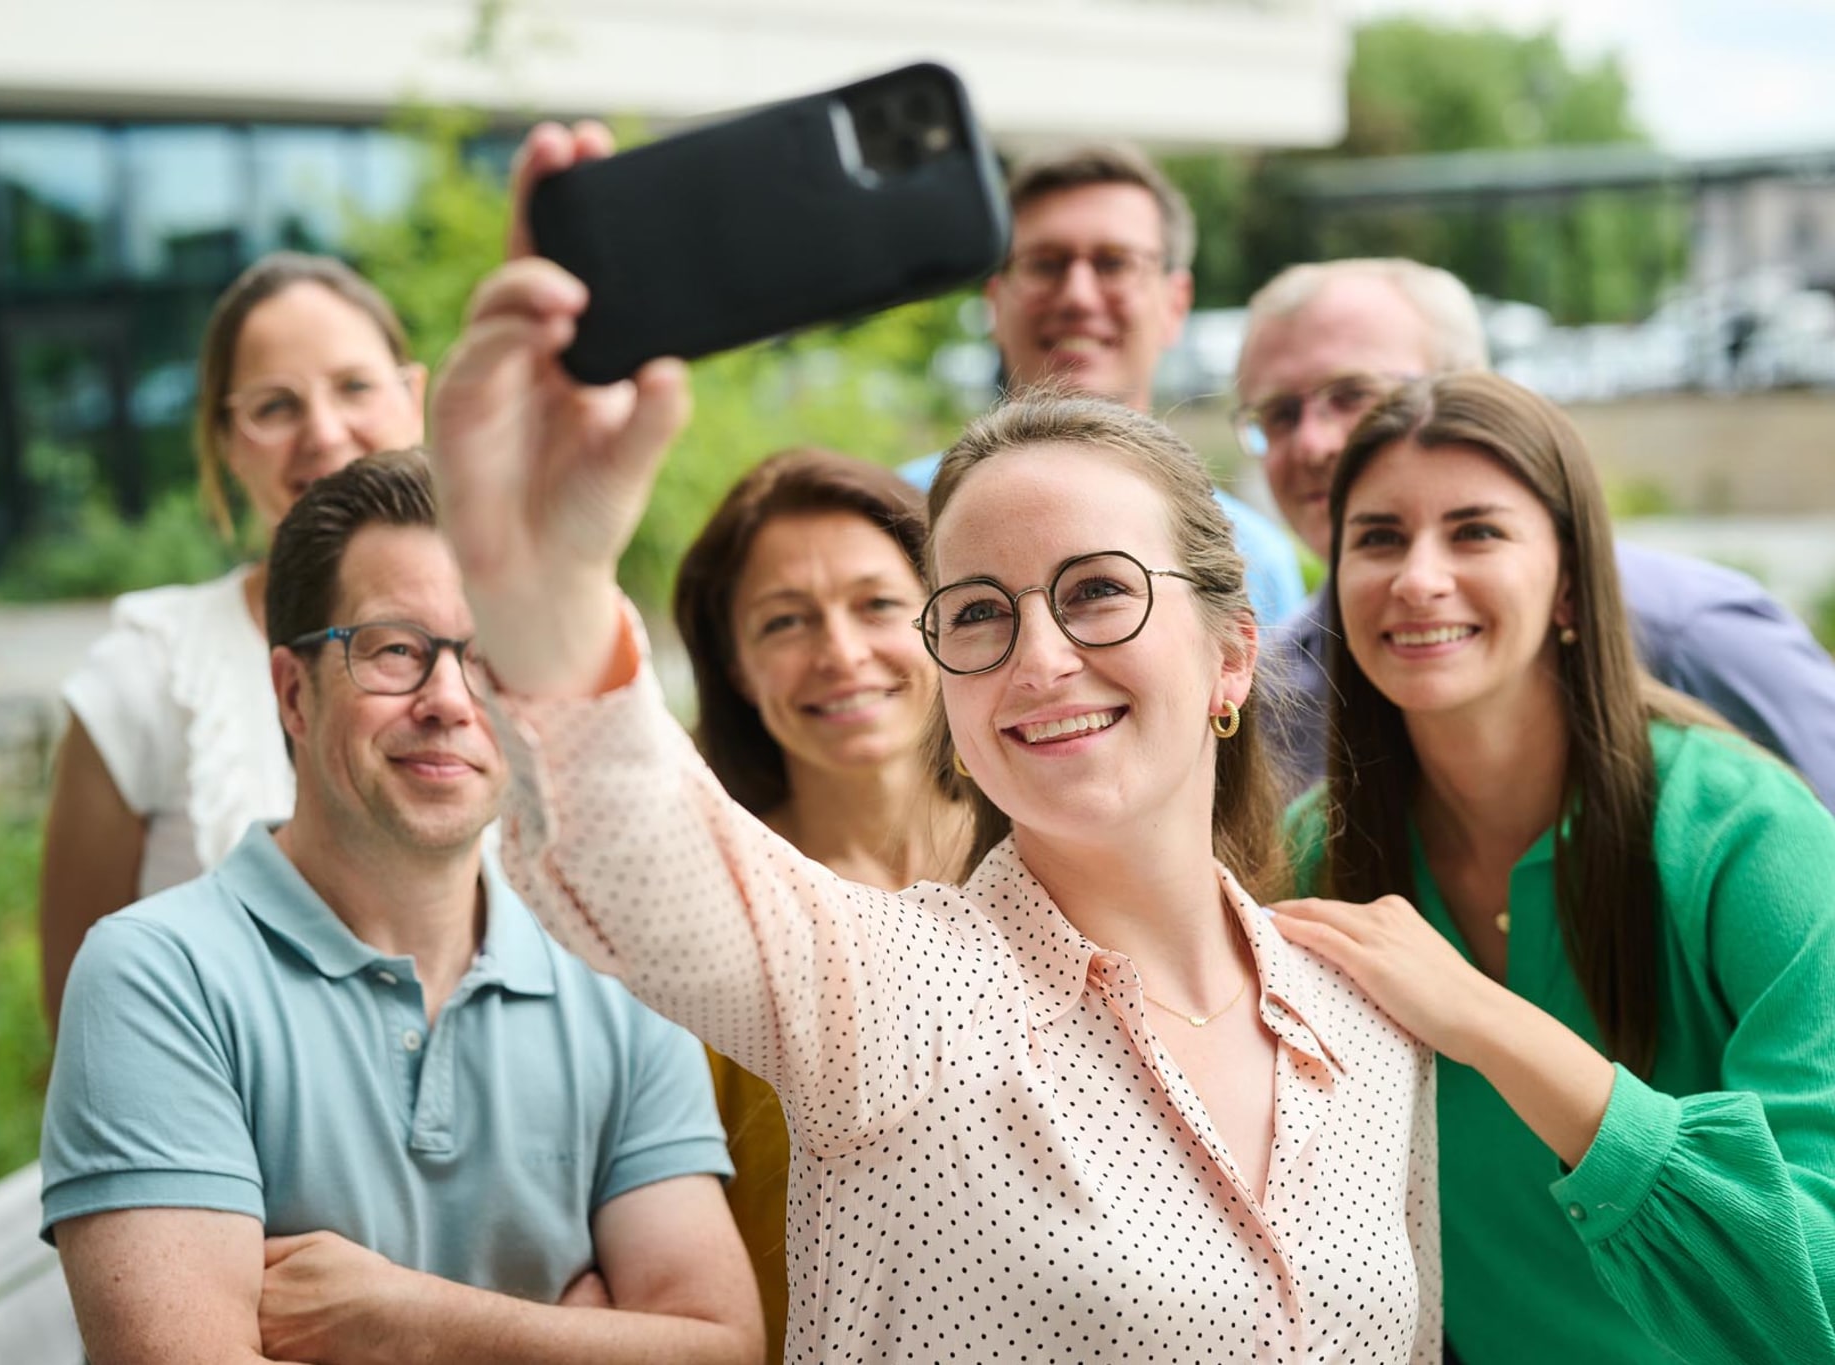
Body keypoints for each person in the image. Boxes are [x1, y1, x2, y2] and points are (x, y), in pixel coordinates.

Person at [429, 121, 1440, 1364]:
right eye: (975, 614)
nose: (1038, 658)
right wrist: (536, 574)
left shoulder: (1358, 1011)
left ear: (1231, 650)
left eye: (1096, 591)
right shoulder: (892, 997)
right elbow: (634, 852)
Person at [41, 451, 763, 1365]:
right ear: (293, 693)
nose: (452, 702)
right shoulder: (156, 978)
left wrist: (405, 1320)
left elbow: (719, 1349)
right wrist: (574, 1338)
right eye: (394, 650)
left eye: (490, 657)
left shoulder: (613, 968)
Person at [1274, 373, 1835, 1365]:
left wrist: (1486, 1025)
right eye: (1377, 539)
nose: (1415, 578)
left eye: (1475, 532)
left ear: (1570, 579)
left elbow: (1819, 1284)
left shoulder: (1750, 835)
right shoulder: (1316, 856)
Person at [1233, 257, 1835, 803]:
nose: (1311, 443)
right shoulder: (1278, 696)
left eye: (1353, 395)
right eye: (1279, 414)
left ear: (1472, 391)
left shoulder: (1697, 638)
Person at [38, 252, 428, 1024]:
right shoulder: (146, 674)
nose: (324, 432)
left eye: (354, 386)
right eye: (276, 406)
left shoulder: (516, 640)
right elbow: (79, 1023)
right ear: (225, 439)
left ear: (413, 398)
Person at [671, 447, 968, 1361]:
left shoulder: (1064, 858)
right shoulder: (696, 916)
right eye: (785, 621)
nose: (839, 653)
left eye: (877, 604)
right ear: (735, 662)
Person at [898, 145, 1307, 627]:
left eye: (1114, 263)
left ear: (1176, 304)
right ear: (995, 299)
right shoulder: (896, 518)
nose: (1077, 295)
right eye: (1044, 263)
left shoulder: (1254, 563)